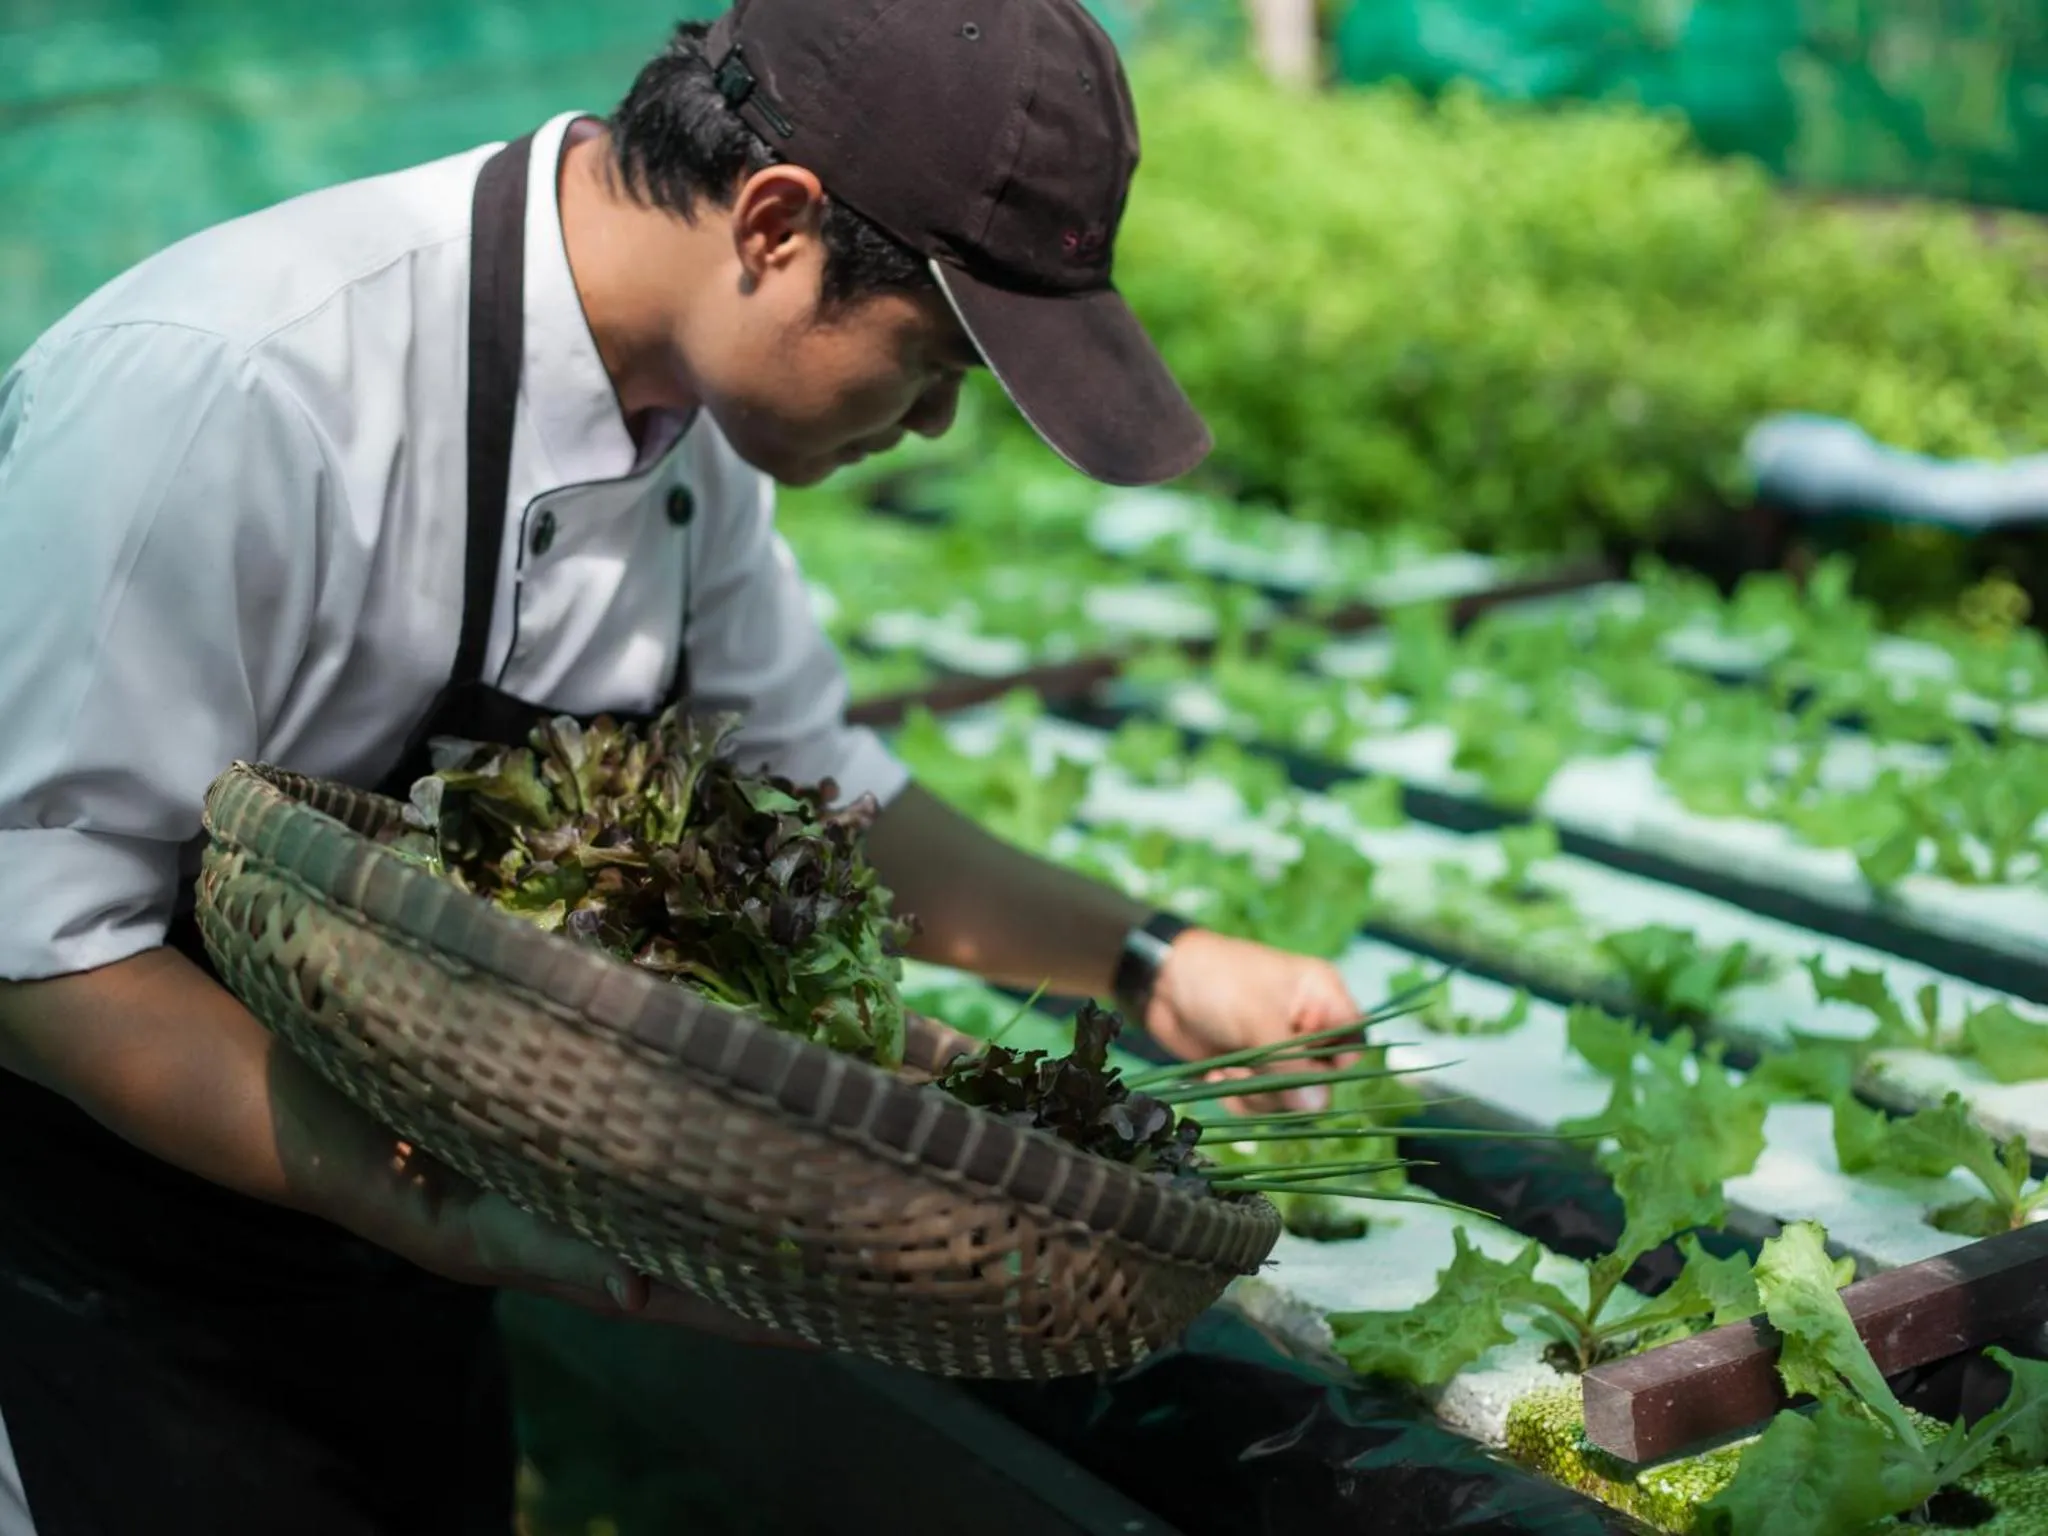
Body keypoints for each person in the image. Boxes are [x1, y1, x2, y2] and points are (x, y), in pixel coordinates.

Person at [0, 0, 1360, 1531]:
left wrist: (1149, 959)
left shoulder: (688, 424)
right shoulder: (240, 388)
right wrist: (425, 1206)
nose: (931, 426)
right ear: (773, 226)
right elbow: (39, 949)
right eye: (935, 364)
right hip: (92, 1271)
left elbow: (820, 790)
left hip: (394, 1272)